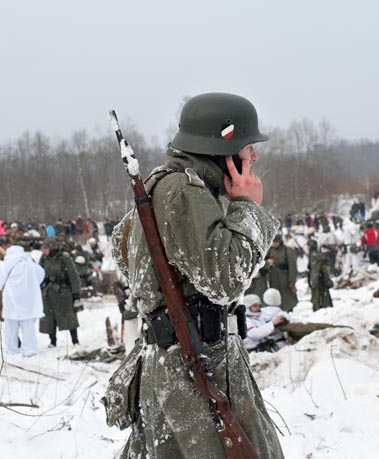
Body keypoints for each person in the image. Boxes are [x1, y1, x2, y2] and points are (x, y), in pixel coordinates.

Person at [107, 92, 284, 458]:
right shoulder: (180, 191)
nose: (255, 157)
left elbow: (121, 245)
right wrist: (247, 207)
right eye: (249, 148)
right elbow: (225, 280)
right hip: (194, 367)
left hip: (187, 361)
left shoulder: (172, 187)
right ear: (227, 148)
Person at [0, 245, 45, 356]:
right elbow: (41, 276)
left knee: (10, 328)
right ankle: (30, 349)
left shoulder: (3, 266)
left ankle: (11, 350)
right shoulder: (30, 266)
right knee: (28, 327)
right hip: (27, 302)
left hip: (10, 302)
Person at [39, 238, 81, 347]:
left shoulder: (64, 257)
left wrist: (76, 294)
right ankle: (52, 341)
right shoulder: (44, 258)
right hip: (48, 292)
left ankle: (75, 340)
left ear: (52, 248)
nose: (43, 251)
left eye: (45, 248)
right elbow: (38, 272)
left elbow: (73, 276)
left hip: (63, 292)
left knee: (69, 316)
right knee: (49, 317)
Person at [267, 234, 298, 311]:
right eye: (273, 242)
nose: (274, 243)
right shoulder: (270, 250)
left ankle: (288, 309)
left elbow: (292, 266)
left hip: (284, 276)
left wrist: (292, 280)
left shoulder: (287, 250)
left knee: (286, 294)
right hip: (274, 277)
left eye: (276, 242)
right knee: (275, 294)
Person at [307, 240, 333, 311]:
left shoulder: (314, 255)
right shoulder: (317, 254)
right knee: (323, 294)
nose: (307, 247)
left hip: (318, 278)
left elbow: (314, 269)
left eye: (308, 245)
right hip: (321, 277)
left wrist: (313, 280)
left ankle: (319, 308)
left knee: (318, 295)